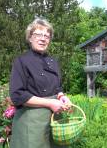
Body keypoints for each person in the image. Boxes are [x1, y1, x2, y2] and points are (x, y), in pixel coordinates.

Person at [9, 17, 71, 148]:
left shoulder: (53, 61)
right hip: (31, 122)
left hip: (55, 120)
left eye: (47, 36)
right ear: (30, 37)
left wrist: (61, 96)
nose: (43, 38)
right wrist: (49, 103)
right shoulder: (21, 61)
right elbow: (17, 95)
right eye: (38, 34)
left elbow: (57, 87)